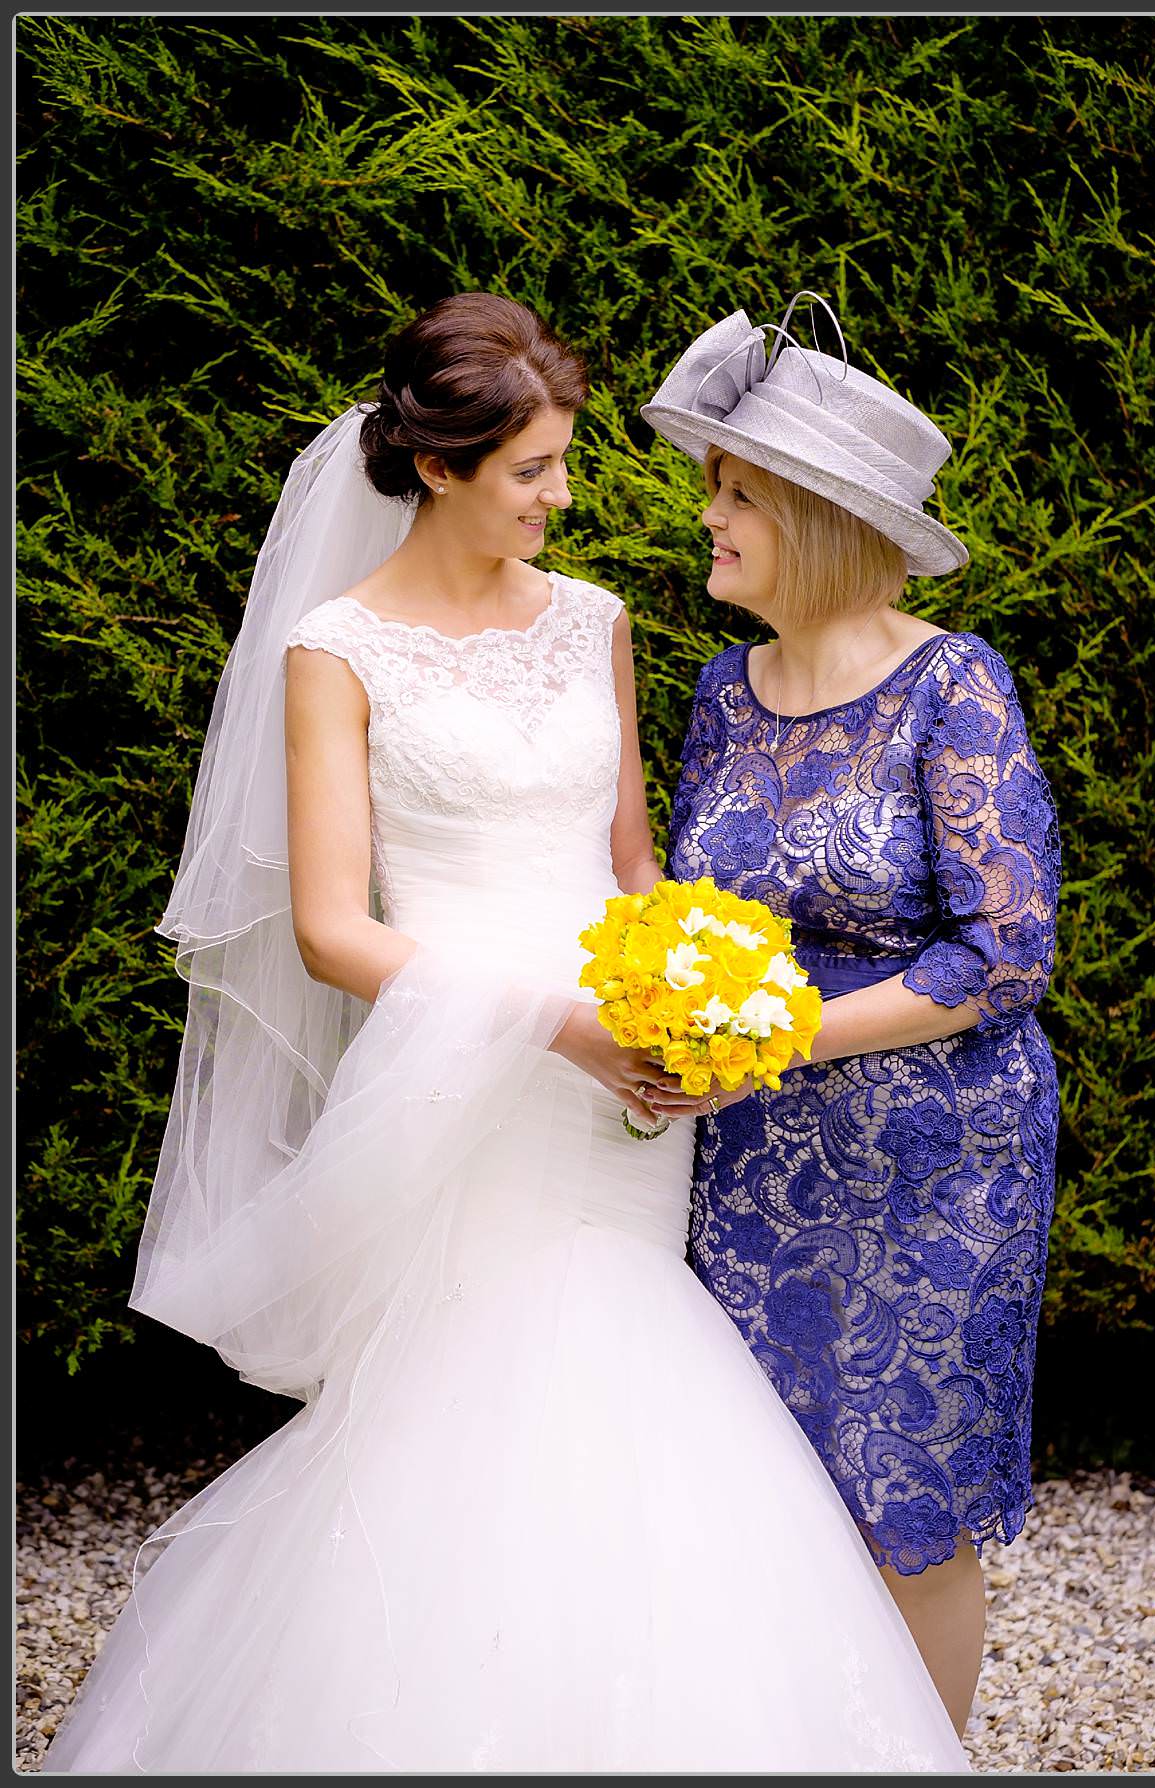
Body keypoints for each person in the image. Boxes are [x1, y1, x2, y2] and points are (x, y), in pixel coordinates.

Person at [43, 293, 966, 1771]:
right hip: (468, 1073)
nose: (565, 494)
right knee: (466, 1391)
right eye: (535, 469)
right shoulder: (337, 651)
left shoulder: (593, 621)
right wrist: (556, 1022)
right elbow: (333, 929)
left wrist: (693, 993)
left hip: (623, 1088)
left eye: (566, 461)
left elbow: (632, 863)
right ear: (438, 470)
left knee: (629, 1380)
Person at [641, 300, 1061, 1735]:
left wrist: (767, 1041)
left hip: (939, 1158)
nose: (710, 520)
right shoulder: (722, 691)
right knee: (767, 1490)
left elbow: (1006, 952)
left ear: (816, 516)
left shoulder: (954, 685)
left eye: (735, 495)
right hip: (749, 1165)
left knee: (907, 1500)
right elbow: (707, 914)